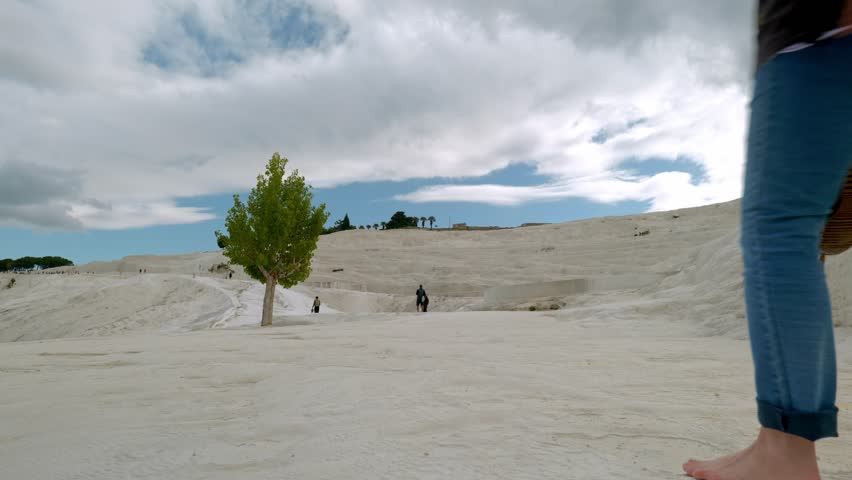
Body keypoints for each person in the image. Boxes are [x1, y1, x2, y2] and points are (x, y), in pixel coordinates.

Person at [683, 2, 852, 479]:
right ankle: (777, 441)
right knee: (796, 234)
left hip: (812, 34)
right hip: (811, 34)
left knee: (780, 231)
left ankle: (786, 454)